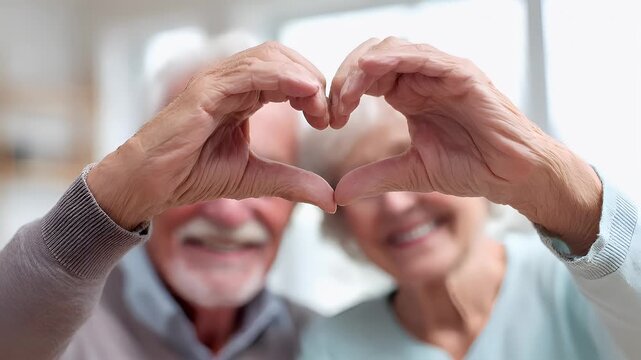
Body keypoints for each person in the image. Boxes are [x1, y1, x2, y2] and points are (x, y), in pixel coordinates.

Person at [299, 37, 641, 360]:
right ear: (339, 219)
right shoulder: (333, 345)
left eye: (415, 169)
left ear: (476, 171)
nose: (397, 204)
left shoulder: (575, 279)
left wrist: (548, 176)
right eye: (364, 187)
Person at [0, 41, 335, 360]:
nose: (227, 214)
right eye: (194, 175)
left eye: (263, 180)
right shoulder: (60, 323)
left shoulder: (324, 343)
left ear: (294, 207)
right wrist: (111, 198)